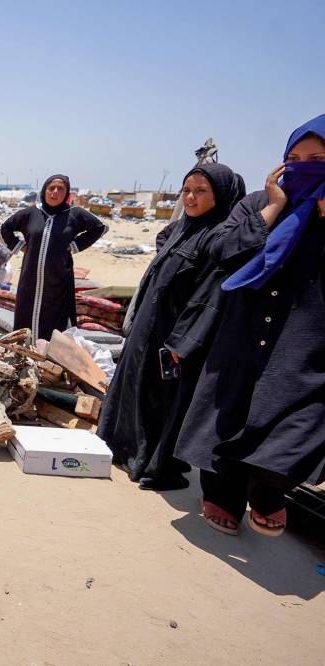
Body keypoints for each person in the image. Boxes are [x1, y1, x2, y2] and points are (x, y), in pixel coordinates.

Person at [175, 114, 325, 537]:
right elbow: (222, 250)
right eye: (295, 158)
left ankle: (268, 489)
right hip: (242, 330)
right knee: (227, 411)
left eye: (317, 160)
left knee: (300, 421)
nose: (303, 167)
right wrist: (274, 209)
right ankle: (222, 495)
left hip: (304, 338)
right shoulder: (258, 202)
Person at [97, 164, 246, 491]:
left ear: (220, 195)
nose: (190, 198)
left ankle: (154, 463)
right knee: (134, 387)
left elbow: (209, 298)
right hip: (147, 328)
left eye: (201, 191)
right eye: (186, 190)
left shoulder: (217, 237)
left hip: (173, 336)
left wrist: (183, 341)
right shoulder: (182, 229)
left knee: (161, 400)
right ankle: (126, 449)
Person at [0, 175, 108, 340]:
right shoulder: (31, 213)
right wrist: (19, 246)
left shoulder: (74, 214)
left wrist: (75, 245)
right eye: (51, 188)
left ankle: (51, 350)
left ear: (67, 193)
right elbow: (3, 227)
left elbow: (101, 227)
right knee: (26, 316)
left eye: (60, 189)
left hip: (58, 280)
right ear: (44, 190)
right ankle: (26, 348)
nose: (55, 192)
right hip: (30, 279)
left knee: (56, 319)